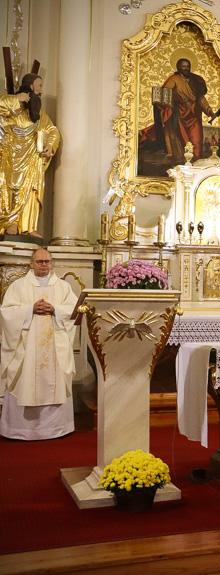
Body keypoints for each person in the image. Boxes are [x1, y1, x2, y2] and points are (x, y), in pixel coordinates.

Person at [0, 249, 78, 440]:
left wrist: (55, 309)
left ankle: (56, 428)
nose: (45, 265)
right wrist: (29, 310)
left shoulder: (63, 287)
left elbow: (75, 311)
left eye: (48, 262)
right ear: (31, 263)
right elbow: (7, 312)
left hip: (55, 347)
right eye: (41, 262)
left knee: (56, 380)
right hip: (27, 349)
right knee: (24, 378)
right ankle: (21, 429)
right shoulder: (18, 286)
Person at [0, 74, 61, 237]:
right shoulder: (12, 107)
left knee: (30, 190)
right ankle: (9, 222)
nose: (41, 90)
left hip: (31, 157)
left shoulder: (37, 112)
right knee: (9, 188)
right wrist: (15, 99)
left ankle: (28, 226)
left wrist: (50, 145)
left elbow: (52, 130)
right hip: (9, 156)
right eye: (39, 86)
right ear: (30, 87)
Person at [139, 58, 216, 166]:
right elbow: (164, 94)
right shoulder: (173, 79)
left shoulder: (195, 81)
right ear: (178, 67)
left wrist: (210, 112)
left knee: (197, 142)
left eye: (187, 66)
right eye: (183, 66)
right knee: (182, 141)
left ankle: (196, 166)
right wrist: (162, 103)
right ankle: (181, 166)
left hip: (194, 115)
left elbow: (200, 98)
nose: (186, 68)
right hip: (180, 114)